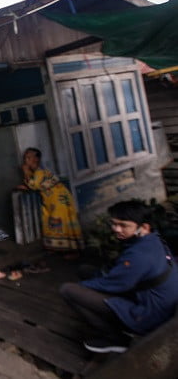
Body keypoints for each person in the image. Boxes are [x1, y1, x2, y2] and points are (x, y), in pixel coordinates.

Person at [60, 200, 178, 353]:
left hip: (149, 316)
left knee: (68, 290)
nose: (116, 229)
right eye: (114, 223)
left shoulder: (139, 255)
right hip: (157, 302)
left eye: (123, 225)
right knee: (85, 270)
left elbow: (115, 284)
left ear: (143, 227)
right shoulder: (153, 238)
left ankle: (116, 338)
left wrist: (84, 287)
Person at [19, 147, 83, 254]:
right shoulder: (37, 172)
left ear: (35, 159)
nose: (25, 159)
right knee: (55, 223)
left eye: (28, 157)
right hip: (54, 200)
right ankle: (57, 247)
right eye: (25, 157)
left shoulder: (40, 171)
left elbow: (33, 185)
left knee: (62, 223)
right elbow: (34, 183)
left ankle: (72, 251)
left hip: (59, 200)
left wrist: (25, 171)